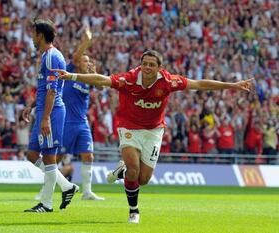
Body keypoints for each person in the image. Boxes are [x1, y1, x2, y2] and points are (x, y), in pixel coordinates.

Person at [52, 50, 253, 223]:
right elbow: (102, 80)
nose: (146, 67)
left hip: (154, 131)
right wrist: (71, 76)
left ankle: (122, 172)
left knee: (144, 179)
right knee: (134, 167)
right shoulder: (129, 78)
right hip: (129, 126)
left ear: (159, 68)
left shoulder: (168, 81)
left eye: (151, 65)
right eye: (144, 64)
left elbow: (199, 83)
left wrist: (232, 85)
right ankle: (133, 211)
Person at [35, 26, 104, 201]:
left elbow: (101, 86)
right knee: (54, 158)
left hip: (82, 123)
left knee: (88, 155)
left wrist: (93, 72)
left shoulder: (87, 78)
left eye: (89, 61)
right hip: (65, 122)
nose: (87, 62)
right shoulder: (70, 70)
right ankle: (46, 190)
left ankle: (87, 192)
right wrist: (87, 41)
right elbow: (75, 55)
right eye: (85, 60)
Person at [22, 18, 78, 213]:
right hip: (43, 111)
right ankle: (67, 186)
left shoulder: (52, 56)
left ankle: (46, 204)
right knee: (31, 154)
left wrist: (45, 117)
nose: (31, 37)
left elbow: (53, 91)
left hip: (52, 112)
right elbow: (44, 88)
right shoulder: (46, 56)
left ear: (40, 35)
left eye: (33, 33)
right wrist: (31, 105)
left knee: (48, 157)